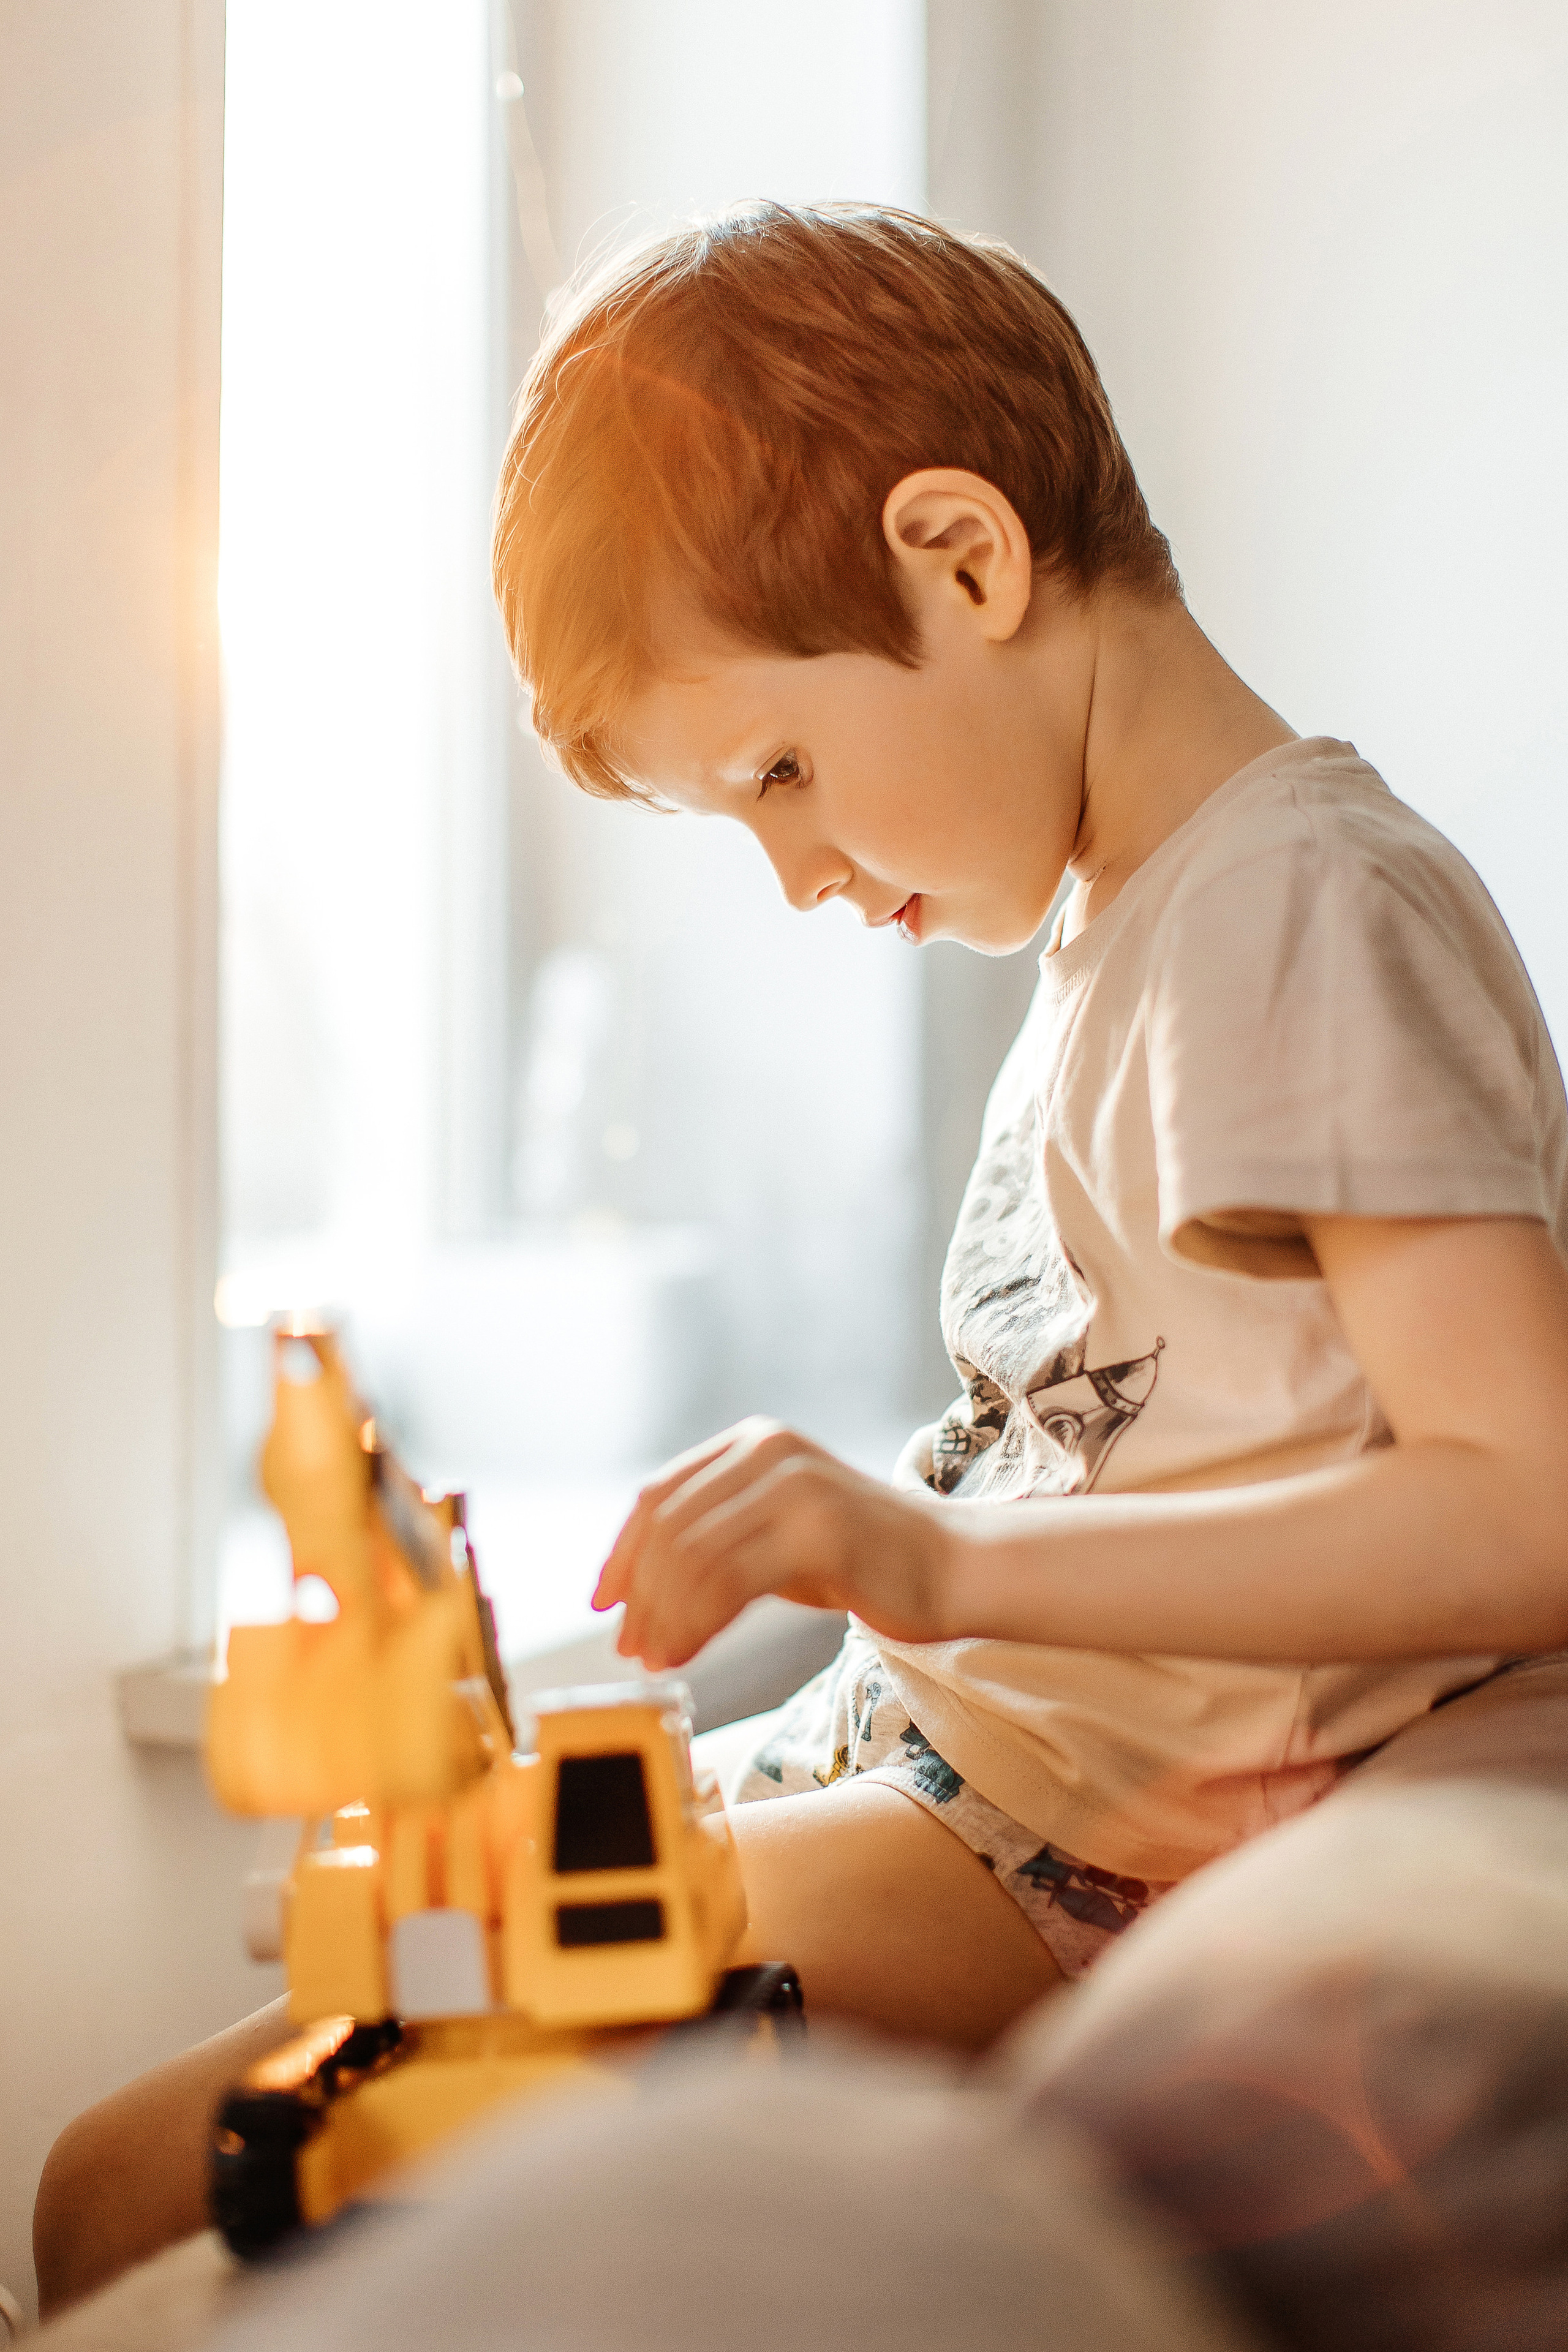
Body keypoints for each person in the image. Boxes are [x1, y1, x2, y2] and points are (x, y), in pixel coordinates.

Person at [493, 200, 1568, 2038]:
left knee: (147, 2176)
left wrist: (930, 1557)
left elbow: (1531, 1500)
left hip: (1063, 1845)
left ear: (963, 559)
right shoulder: (1133, 923)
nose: (797, 876)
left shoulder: (1296, 905)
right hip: (948, 1766)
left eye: (782, 772)